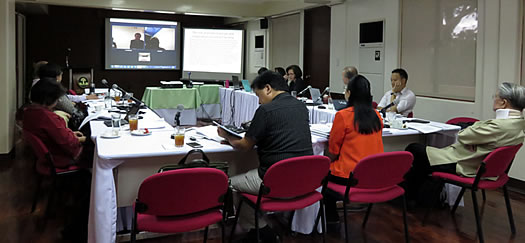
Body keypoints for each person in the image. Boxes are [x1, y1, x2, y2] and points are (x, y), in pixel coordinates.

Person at [218, 71, 313, 242]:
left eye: (258, 95)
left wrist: (227, 136)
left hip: (274, 179)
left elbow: (245, 146)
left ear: (268, 89)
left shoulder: (266, 110)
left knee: (230, 184)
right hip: (304, 180)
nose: (259, 100)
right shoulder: (301, 106)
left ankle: (259, 230)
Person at [404, 82, 525, 203]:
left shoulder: (499, 126)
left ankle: (415, 196)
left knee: (414, 149)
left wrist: (472, 136)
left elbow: (463, 135)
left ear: (503, 103)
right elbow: (478, 136)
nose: (493, 99)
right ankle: (423, 196)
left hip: (465, 164)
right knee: (422, 161)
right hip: (482, 166)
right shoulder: (519, 124)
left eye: (496, 96)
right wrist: (476, 140)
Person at [324, 75, 384, 223]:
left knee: (320, 175)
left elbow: (333, 151)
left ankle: (331, 219)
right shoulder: (377, 115)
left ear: (349, 93)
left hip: (349, 176)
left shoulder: (343, 116)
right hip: (374, 175)